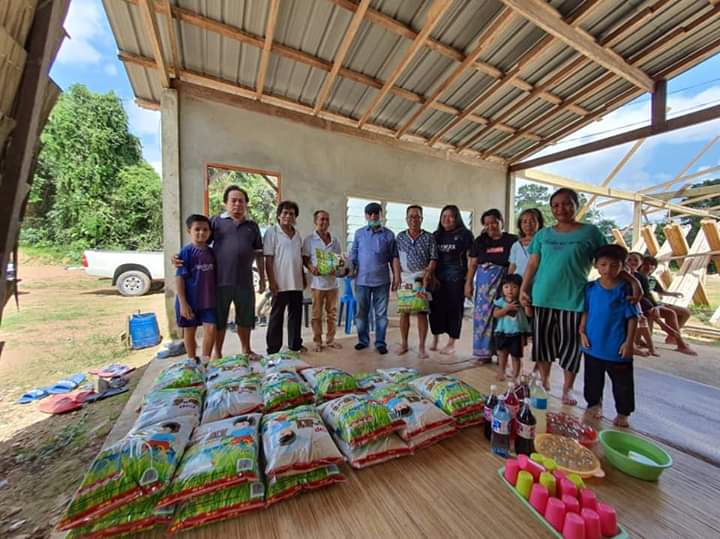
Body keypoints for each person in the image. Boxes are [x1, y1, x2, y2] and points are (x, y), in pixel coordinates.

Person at [520, 188, 641, 404]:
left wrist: (633, 281)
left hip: (573, 299)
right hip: (543, 297)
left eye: (567, 203)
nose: (561, 209)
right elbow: (533, 263)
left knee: (570, 348)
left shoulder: (591, 233)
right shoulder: (543, 235)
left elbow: (610, 259)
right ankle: (545, 382)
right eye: (555, 205)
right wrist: (523, 289)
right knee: (543, 345)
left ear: (576, 205)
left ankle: (567, 389)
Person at [173, 185, 265, 359]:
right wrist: (178, 257)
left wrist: (262, 278)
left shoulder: (252, 226)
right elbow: (199, 243)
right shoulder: (215, 222)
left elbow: (259, 254)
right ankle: (218, 353)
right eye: (233, 200)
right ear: (225, 203)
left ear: (246, 204)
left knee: (245, 319)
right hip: (219, 282)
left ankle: (246, 349)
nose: (237, 204)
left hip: (245, 282)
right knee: (219, 321)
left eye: (241, 201)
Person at [580, 244, 640, 428]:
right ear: (596, 265)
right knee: (592, 379)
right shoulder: (590, 288)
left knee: (622, 383)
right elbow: (586, 311)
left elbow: (632, 318)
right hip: (592, 344)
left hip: (616, 346)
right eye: (603, 264)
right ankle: (594, 404)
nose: (608, 269)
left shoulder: (625, 291)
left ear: (623, 267)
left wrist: (629, 343)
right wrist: (581, 331)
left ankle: (623, 413)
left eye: (614, 265)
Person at [465, 209, 518, 362]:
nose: (491, 226)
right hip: (483, 287)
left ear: (501, 222)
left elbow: (514, 263)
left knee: (502, 318)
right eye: (487, 224)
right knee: (482, 318)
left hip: (504, 284)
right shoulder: (480, 241)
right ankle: (483, 353)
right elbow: (473, 264)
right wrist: (468, 283)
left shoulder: (512, 240)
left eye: (494, 222)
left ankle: (501, 353)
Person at [350, 202, 399, 355]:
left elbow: (394, 258)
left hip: (382, 282)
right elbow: (353, 255)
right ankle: (363, 341)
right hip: (362, 281)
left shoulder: (389, 235)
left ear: (380, 215)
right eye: (370, 214)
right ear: (366, 216)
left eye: (376, 213)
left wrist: (396, 277)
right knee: (361, 313)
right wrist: (350, 269)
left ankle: (380, 343)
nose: (373, 216)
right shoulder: (359, 234)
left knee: (381, 315)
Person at [627, 252, 696, 356]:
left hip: (647, 304)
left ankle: (676, 340)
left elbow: (646, 294)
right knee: (649, 318)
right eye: (629, 260)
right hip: (637, 305)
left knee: (671, 313)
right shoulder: (624, 275)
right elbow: (640, 295)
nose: (648, 267)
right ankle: (646, 340)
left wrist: (655, 305)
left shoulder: (644, 278)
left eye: (651, 265)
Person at [392, 205, 438, 359]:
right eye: (411, 217)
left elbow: (433, 258)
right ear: (406, 219)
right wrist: (397, 276)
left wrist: (428, 274)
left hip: (421, 278)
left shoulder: (429, 237)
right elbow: (396, 259)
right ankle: (404, 344)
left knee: (421, 312)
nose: (414, 219)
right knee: (404, 311)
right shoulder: (400, 237)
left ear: (421, 219)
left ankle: (421, 347)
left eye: (417, 216)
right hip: (405, 278)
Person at [430, 205, 474, 355]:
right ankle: (435, 338)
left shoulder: (465, 234)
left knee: (455, 311)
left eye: (450, 216)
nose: (446, 219)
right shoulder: (436, 235)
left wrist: (469, 280)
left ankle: (451, 343)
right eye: (443, 216)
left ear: (457, 218)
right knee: (435, 310)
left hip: (457, 279)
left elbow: (471, 259)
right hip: (437, 279)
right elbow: (431, 258)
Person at [264, 201, 305, 354]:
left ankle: (295, 345)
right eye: (285, 213)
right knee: (277, 317)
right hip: (280, 283)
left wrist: (303, 277)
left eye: (292, 214)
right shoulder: (272, 232)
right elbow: (268, 259)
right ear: (279, 215)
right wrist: (271, 281)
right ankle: (273, 349)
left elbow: (298, 258)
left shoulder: (297, 234)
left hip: (296, 282)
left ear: (295, 217)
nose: (288, 216)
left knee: (296, 315)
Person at [175, 214, 217, 364]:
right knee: (190, 331)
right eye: (197, 229)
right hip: (190, 301)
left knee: (211, 329)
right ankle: (192, 361)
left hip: (209, 300)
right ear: (189, 231)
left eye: (205, 229)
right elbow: (179, 278)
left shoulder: (212, 252)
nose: (201, 232)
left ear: (210, 232)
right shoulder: (185, 253)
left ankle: (205, 362)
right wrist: (183, 303)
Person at [302, 210, 343, 352]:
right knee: (316, 315)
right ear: (315, 221)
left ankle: (330, 340)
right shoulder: (309, 240)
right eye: (321, 219)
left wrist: (336, 267)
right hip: (317, 284)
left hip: (333, 283)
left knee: (332, 314)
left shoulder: (335, 240)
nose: (324, 222)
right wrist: (310, 267)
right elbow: (305, 258)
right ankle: (317, 341)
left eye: (327, 219)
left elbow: (338, 260)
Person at [493, 273, 532, 382]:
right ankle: (501, 371)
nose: (510, 290)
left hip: (517, 333)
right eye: (506, 287)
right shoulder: (500, 301)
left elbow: (529, 314)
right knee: (502, 354)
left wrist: (527, 305)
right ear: (502, 288)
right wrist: (506, 309)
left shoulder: (520, 301)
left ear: (520, 288)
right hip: (502, 332)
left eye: (514, 287)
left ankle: (516, 376)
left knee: (516, 356)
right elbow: (495, 314)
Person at [508, 208, 544, 277]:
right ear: (520, 225)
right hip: (518, 284)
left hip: (537, 283)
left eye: (532, 221)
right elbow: (512, 267)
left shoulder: (544, 243)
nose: (528, 224)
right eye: (524, 222)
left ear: (539, 223)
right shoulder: (516, 245)